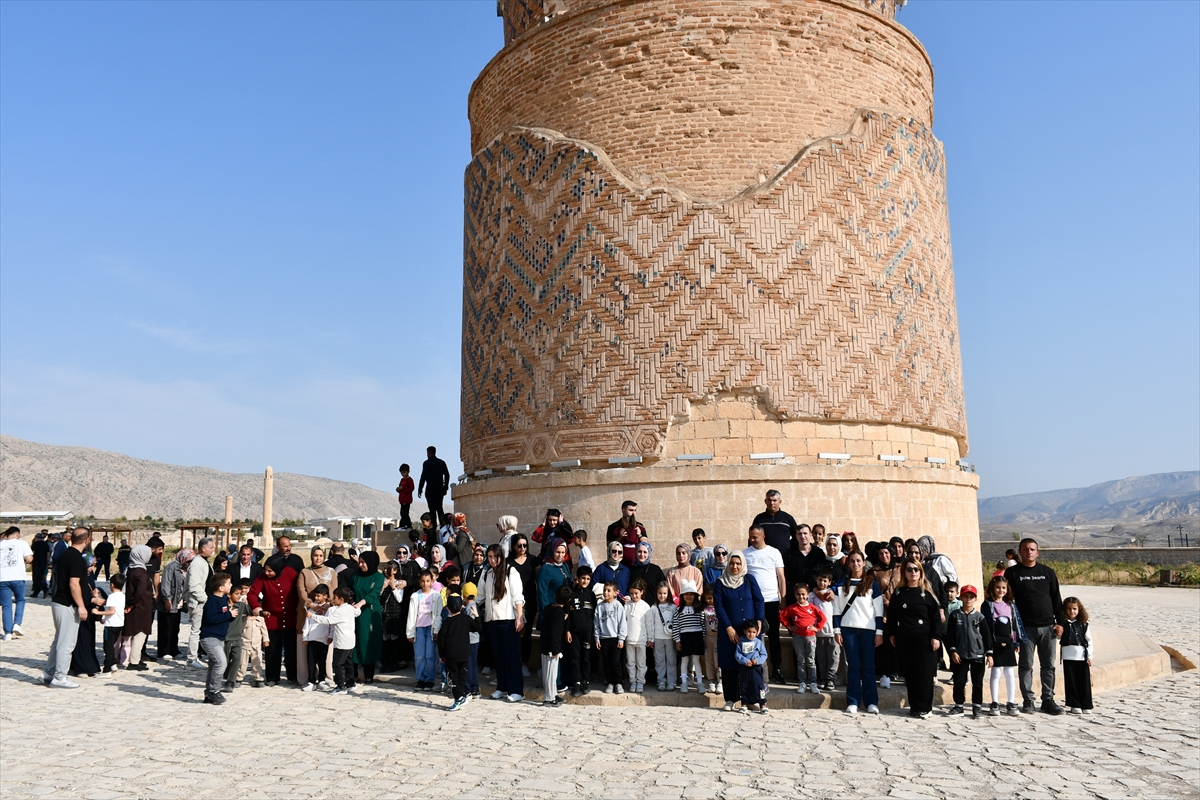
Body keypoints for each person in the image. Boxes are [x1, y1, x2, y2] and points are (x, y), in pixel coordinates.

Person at [1004, 538, 1066, 715]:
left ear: (1037, 553)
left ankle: (1048, 700)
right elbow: (1005, 600)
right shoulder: (1012, 573)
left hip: (1048, 627)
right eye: (1025, 549)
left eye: (1032, 549)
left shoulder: (1047, 572)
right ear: (1019, 552)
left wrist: (1060, 623)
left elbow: (1056, 598)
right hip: (1025, 628)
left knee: (1048, 666)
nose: (1029, 552)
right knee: (1026, 665)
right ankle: (1028, 700)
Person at [887, 560, 944, 719]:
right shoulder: (899, 593)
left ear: (920, 572)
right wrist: (892, 633)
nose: (913, 572)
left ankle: (925, 707)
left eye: (916, 569)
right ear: (904, 572)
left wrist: (936, 637)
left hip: (924, 639)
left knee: (924, 674)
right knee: (910, 673)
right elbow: (892, 615)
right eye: (909, 569)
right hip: (905, 638)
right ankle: (914, 706)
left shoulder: (927, 593)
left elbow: (935, 618)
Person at [712, 551, 764, 712]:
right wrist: (728, 627)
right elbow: (719, 606)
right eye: (732, 563)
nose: (735, 566)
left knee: (751, 666)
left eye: (738, 563)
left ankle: (752, 699)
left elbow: (759, 600)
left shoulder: (749, 580)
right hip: (729, 632)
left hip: (750, 633)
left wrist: (759, 619)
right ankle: (731, 699)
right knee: (729, 665)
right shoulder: (721, 583)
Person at [833, 551, 883, 715]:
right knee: (853, 666)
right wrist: (837, 630)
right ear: (849, 564)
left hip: (868, 630)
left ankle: (871, 702)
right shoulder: (841, 584)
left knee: (868, 667)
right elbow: (836, 609)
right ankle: (853, 701)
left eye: (858, 561)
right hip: (848, 629)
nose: (856, 564)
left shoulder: (872, 584)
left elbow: (879, 610)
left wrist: (879, 631)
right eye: (852, 561)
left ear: (863, 562)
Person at [479, 544, 525, 702]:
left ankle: (516, 690)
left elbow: (518, 596)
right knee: (498, 656)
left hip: (508, 620)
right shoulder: (487, 573)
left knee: (511, 656)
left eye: (495, 557)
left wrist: (519, 617)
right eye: (490, 557)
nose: (492, 560)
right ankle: (502, 687)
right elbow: (480, 595)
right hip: (492, 621)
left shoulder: (511, 572)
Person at [743, 525, 786, 684]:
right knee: (753, 636)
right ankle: (754, 668)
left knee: (774, 636)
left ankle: (777, 669)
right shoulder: (745, 554)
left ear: (763, 536)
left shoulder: (774, 552)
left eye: (755, 537)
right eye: (750, 537)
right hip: (753, 602)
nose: (752, 539)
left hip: (771, 601)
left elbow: (781, 577)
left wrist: (783, 599)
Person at [247, 555, 298, 686]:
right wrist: (256, 607)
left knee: (291, 649)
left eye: (270, 570)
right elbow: (252, 593)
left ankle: (293, 675)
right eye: (266, 570)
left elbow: (298, 589)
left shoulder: (290, 572)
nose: (267, 573)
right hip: (271, 618)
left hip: (290, 617)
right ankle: (272, 677)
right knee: (272, 649)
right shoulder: (262, 577)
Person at [945, 584, 993, 717]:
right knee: (959, 681)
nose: (968, 599)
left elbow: (987, 636)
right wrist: (953, 651)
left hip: (977, 654)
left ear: (975, 599)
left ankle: (977, 706)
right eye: (966, 596)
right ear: (961, 597)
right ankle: (959, 705)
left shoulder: (980, 617)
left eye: (971, 597)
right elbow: (950, 635)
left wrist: (989, 654)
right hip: (960, 655)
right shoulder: (955, 616)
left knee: (977, 682)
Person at [981, 575, 1024, 717]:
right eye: (998, 588)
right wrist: (988, 647)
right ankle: (995, 702)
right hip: (995, 642)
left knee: (1010, 673)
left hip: (1008, 642)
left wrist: (1017, 642)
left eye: (1004, 588)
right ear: (992, 588)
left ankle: (1011, 702)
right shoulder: (987, 604)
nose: (1001, 590)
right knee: (996, 672)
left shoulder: (1011, 604)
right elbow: (986, 626)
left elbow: (1015, 624)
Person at [295, 546, 338, 685]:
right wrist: (311, 604)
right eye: (315, 555)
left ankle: (326, 678)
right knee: (306, 648)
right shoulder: (304, 572)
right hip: (308, 611)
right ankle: (306, 678)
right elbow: (301, 590)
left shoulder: (331, 572)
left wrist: (327, 604)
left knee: (325, 648)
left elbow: (333, 590)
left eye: (321, 555)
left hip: (326, 612)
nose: (318, 558)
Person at [308, 586, 360, 695]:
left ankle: (340, 686)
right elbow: (357, 612)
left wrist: (312, 616)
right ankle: (351, 683)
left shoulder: (339, 611)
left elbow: (327, 620)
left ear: (341, 599)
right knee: (348, 663)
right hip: (350, 641)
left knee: (337, 664)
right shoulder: (350, 608)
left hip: (341, 642)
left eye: (335, 597)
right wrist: (357, 606)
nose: (333, 599)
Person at [780, 581, 826, 694]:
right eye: (798, 594)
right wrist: (788, 626)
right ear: (795, 595)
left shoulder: (812, 608)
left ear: (808, 595)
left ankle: (813, 682)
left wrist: (817, 628)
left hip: (810, 637)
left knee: (810, 660)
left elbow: (823, 618)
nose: (801, 597)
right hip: (798, 637)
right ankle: (802, 682)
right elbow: (782, 615)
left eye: (803, 594)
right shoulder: (792, 608)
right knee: (801, 660)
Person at [346, 551, 384, 685]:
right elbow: (349, 589)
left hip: (369, 613)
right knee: (354, 641)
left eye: (363, 562)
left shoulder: (378, 577)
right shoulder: (356, 575)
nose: (360, 565)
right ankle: (353, 674)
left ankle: (369, 674)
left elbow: (374, 593)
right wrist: (350, 600)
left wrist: (361, 603)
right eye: (360, 562)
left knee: (367, 641)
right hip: (355, 612)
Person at [199, 573, 236, 704]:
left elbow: (222, 616)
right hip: (209, 637)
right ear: (221, 587)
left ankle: (209, 693)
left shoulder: (223, 599)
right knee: (221, 663)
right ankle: (215, 690)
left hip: (219, 637)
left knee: (214, 664)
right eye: (229, 583)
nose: (231, 585)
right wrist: (229, 614)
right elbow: (211, 618)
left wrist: (230, 615)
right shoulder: (212, 600)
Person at [121, 544, 155, 673]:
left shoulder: (131, 569)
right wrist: (132, 603)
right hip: (141, 607)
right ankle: (134, 661)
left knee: (137, 631)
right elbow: (140, 591)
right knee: (140, 633)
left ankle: (136, 658)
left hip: (136, 606)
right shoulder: (141, 573)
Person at [506, 534, 537, 674]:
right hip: (512, 602)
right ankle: (513, 662)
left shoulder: (532, 560)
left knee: (527, 632)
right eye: (519, 545)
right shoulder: (508, 562)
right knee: (514, 632)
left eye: (525, 545)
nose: (523, 548)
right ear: (514, 546)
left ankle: (524, 663)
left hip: (529, 601)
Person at [183, 537, 214, 668]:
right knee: (196, 630)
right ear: (203, 548)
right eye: (211, 548)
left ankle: (201, 654)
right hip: (199, 602)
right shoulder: (197, 563)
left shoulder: (204, 562)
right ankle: (191, 658)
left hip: (205, 602)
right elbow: (194, 586)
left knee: (203, 630)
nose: (213, 550)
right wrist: (205, 599)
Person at [70, 561, 104, 678]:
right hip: (80, 610)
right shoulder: (77, 575)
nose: (93, 568)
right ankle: (80, 667)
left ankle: (89, 666)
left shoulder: (89, 575)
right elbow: (75, 593)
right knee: (80, 639)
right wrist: (91, 600)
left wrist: (95, 594)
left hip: (89, 611)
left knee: (88, 639)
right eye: (91, 565)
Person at [671, 579, 706, 693]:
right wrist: (677, 640)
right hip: (684, 637)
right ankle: (684, 683)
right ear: (682, 596)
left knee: (696, 660)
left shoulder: (699, 610)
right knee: (684, 660)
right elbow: (676, 626)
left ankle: (699, 683)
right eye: (686, 594)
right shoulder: (678, 610)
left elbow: (703, 624)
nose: (689, 596)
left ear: (695, 596)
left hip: (697, 637)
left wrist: (703, 639)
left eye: (691, 594)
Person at [566, 566, 596, 696]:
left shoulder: (591, 595)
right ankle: (576, 681)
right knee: (575, 657)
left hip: (587, 632)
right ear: (577, 578)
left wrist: (594, 632)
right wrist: (567, 630)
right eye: (583, 578)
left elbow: (594, 615)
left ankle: (586, 680)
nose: (585, 581)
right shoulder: (571, 594)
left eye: (588, 579)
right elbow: (567, 614)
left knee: (586, 657)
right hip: (574, 632)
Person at [407, 570, 439, 691]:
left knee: (430, 655)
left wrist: (437, 630)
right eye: (423, 581)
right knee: (419, 655)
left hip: (431, 628)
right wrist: (410, 633)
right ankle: (420, 679)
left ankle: (429, 680)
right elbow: (411, 614)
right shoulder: (415, 596)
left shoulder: (436, 596)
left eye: (428, 581)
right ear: (419, 582)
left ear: (432, 581)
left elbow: (438, 614)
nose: (425, 584)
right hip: (419, 628)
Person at [1061, 596, 1094, 714]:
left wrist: (1089, 656)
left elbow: (1089, 641)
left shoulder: (1083, 624)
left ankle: (1086, 704)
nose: (1072, 611)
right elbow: (1059, 637)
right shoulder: (1063, 624)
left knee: (1084, 682)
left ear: (1079, 609)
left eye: (1074, 609)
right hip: (1068, 656)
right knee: (1071, 681)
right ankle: (1074, 704)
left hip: (1081, 657)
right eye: (1069, 609)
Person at [539, 584, 570, 706]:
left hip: (545, 646)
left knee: (551, 673)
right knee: (550, 675)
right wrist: (555, 650)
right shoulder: (559, 614)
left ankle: (553, 694)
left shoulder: (549, 608)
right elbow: (555, 633)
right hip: (551, 649)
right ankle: (548, 698)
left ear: (555, 596)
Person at [296, 582, 331, 692]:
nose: (316, 598)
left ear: (325, 596)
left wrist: (330, 636)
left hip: (324, 640)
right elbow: (307, 623)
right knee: (311, 662)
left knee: (322, 662)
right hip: (311, 639)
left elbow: (331, 624)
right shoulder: (311, 609)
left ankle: (322, 680)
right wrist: (305, 637)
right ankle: (311, 681)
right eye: (315, 595)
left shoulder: (329, 609)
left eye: (318, 596)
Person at [594, 581, 627, 693]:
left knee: (616, 662)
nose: (606, 593)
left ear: (615, 593)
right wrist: (597, 638)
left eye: (609, 590)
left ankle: (618, 683)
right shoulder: (599, 607)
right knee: (607, 662)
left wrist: (621, 639)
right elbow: (596, 623)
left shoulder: (618, 606)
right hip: (604, 638)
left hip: (615, 638)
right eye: (605, 590)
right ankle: (609, 682)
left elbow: (622, 623)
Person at [0, 526, 33, 640]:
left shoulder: (0, 544)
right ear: (17, 534)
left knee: (6, 605)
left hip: (2, 577)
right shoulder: (22, 543)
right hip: (17, 576)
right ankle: (17, 624)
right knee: (20, 600)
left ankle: (7, 633)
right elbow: (29, 558)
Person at [158, 549, 191, 661]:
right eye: (188, 561)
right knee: (166, 627)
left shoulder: (185, 569)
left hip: (178, 602)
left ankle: (173, 649)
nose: (189, 563)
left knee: (175, 628)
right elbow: (165, 584)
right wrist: (167, 599)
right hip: (170, 601)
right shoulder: (171, 567)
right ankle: (164, 651)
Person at [645, 581, 677, 693]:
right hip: (658, 638)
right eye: (660, 593)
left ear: (668, 594)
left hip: (670, 638)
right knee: (659, 661)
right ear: (656, 593)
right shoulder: (653, 608)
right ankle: (661, 681)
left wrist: (676, 638)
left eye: (664, 593)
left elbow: (676, 622)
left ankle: (671, 681)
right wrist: (650, 639)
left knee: (671, 660)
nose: (662, 595)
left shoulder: (673, 607)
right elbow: (650, 624)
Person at [810, 570, 838, 691]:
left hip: (832, 632)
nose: (822, 583)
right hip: (818, 633)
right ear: (816, 580)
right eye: (820, 580)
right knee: (821, 657)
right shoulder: (812, 595)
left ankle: (831, 678)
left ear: (829, 582)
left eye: (825, 580)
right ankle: (823, 677)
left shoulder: (832, 594)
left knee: (833, 656)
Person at [735, 620, 769, 714]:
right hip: (744, 667)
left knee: (759, 685)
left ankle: (762, 704)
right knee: (744, 685)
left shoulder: (758, 642)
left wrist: (756, 661)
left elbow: (764, 655)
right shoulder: (741, 641)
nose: (751, 634)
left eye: (754, 632)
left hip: (756, 668)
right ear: (744, 631)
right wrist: (745, 661)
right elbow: (738, 655)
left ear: (757, 632)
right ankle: (744, 704)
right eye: (749, 632)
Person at [222, 580, 251, 692]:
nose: (239, 596)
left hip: (237, 637)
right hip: (225, 637)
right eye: (237, 594)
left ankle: (231, 681)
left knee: (237, 658)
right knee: (224, 660)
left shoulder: (241, 606)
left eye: (240, 594)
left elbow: (252, 611)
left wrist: (262, 612)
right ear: (229, 594)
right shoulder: (222, 605)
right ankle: (225, 675)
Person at [623, 579, 650, 693]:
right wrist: (623, 637)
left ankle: (640, 682)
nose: (634, 596)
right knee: (630, 662)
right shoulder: (627, 606)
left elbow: (649, 624)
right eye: (632, 593)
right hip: (629, 639)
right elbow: (623, 622)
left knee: (641, 663)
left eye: (636, 593)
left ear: (642, 592)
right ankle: (632, 681)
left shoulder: (645, 606)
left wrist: (650, 638)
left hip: (641, 640)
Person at [751, 490, 797, 556]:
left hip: (784, 556)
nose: (772, 503)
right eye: (769, 500)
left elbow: (797, 536)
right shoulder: (759, 519)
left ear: (780, 502)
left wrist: (789, 547)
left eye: (774, 500)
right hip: (764, 556)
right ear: (765, 501)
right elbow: (752, 536)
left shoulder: (787, 518)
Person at [783, 524, 824, 598]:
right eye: (799, 534)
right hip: (795, 595)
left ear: (810, 535)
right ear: (796, 536)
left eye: (805, 533)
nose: (802, 536)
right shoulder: (789, 554)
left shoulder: (818, 553)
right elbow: (785, 576)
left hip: (815, 594)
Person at [96, 572, 125, 673]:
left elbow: (111, 611)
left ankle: (107, 668)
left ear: (112, 585)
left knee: (108, 647)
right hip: (119, 624)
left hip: (111, 625)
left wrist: (98, 612)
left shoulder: (112, 597)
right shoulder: (122, 595)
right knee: (112, 645)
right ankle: (112, 664)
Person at [239, 593, 270, 688]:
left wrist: (266, 640)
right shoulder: (243, 618)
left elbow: (264, 630)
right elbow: (240, 629)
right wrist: (246, 618)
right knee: (242, 663)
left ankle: (258, 678)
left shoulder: (260, 619)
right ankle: (239, 678)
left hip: (256, 646)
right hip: (244, 644)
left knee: (257, 662)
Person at [417, 446, 451, 528]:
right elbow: (447, 475)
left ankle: (434, 527)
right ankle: (443, 526)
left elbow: (423, 477)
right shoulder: (441, 462)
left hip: (430, 488)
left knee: (432, 509)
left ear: (428, 453)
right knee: (439, 508)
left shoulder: (426, 463)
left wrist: (420, 489)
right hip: (439, 488)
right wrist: (445, 487)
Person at [537, 541, 573, 617]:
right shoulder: (546, 569)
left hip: (565, 610)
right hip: (552, 611)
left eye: (563, 552)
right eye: (558, 552)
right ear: (552, 551)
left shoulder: (565, 566)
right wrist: (547, 612)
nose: (560, 555)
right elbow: (542, 593)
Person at [605, 500, 646, 565]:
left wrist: (640, 535)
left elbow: (646, 544)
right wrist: (620, 538)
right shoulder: (613, 527)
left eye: (635, 510)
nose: (633, 513)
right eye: (631, 510)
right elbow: (609, 545)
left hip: (636, 563)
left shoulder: (640, 526)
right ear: (623, 510)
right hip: (619, 563)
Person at [627, 542, 666, 606]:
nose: (642, 554)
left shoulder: (655, 570)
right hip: (634, 607)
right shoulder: (630, 570)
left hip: (653, 607)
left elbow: (663, 587)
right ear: (636, 552)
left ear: (649, 553)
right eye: (639, 551)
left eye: (645, 552)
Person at [701, 586, 721, 694]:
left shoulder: (720, 607)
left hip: (718, 637)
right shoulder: (704, 609)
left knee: (718, 660)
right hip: (707, 637)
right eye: (706, 598)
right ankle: (711, 681)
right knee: (708, 660)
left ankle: (720, 681)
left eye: (711, 598)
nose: (709, 600)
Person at [30, 532, 52, 598]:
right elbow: (48, 554)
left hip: (37, 562)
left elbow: (32, 553)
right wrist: (47, 562)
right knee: (40, 577)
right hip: (44, 562)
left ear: (36, 537)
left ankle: (45, 588)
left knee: (36, 578)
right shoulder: (45, 544)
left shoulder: (35, 544)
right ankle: (36, 593)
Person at [396, 463, 415, 529]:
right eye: (402, 473)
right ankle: (408, 525)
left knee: (405, 513)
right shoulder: (402, 480)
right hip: (402, 500)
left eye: (404, 472)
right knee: (402, 513)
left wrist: (403, 488)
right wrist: (398, 489)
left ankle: (403, 525)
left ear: (408, 472)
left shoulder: (409, 480)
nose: (403, 474)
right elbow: (400, 488)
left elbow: (411, 489)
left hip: (407, 500)